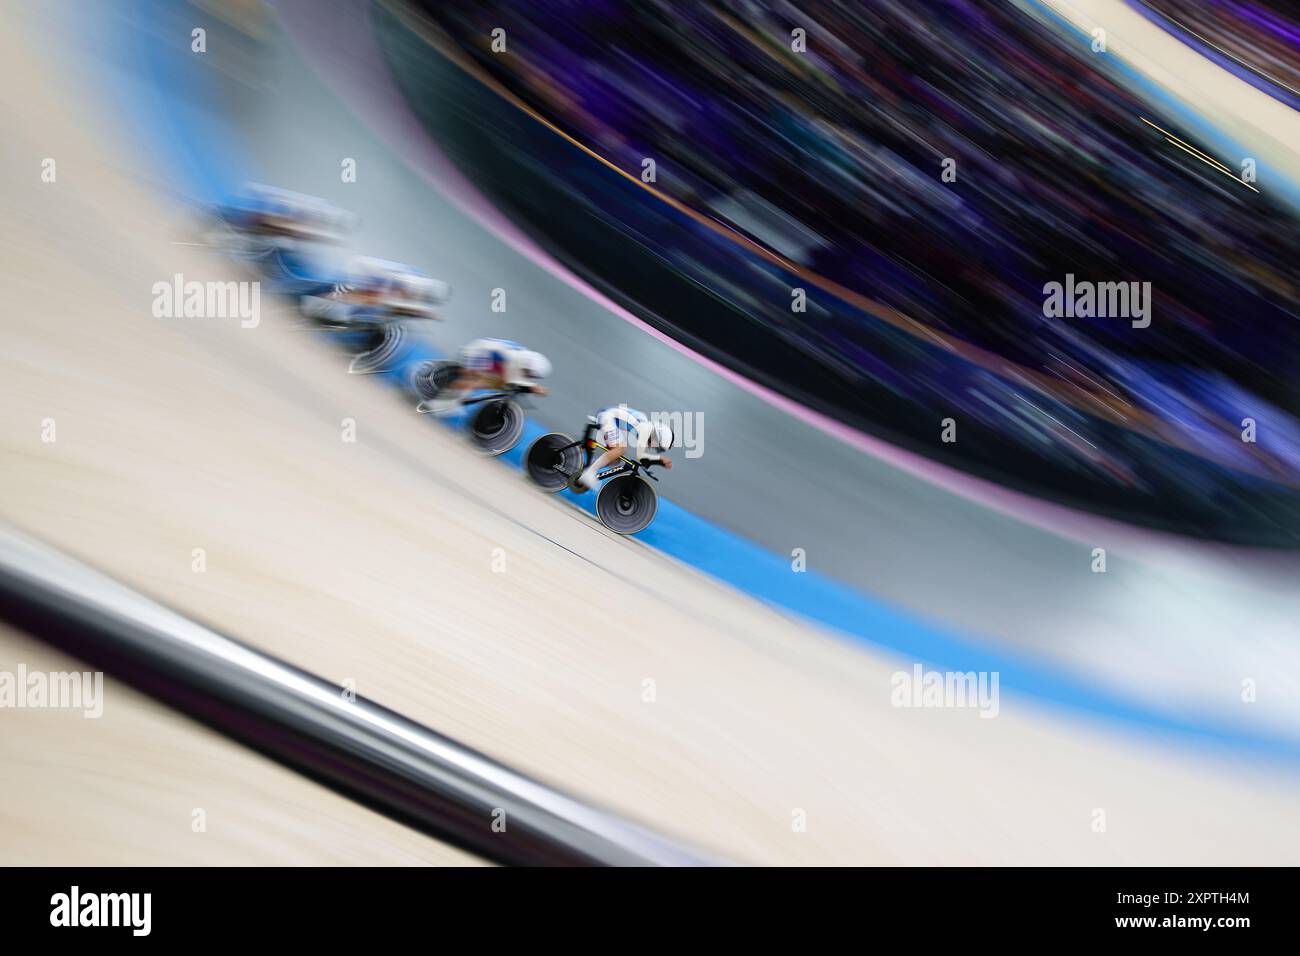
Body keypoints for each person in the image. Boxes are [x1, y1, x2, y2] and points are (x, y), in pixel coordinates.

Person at [418, 337, 551, 414]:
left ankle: (450, 392)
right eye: (531, 375)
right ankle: (435, 402)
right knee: (476, 382)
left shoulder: (524, 362)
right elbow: (505, 378)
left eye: (533, 377)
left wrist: (535, 388)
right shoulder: (513, 358)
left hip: (493, 358)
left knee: (494, 381)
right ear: (527, 367)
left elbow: (517, 378)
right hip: (480, 351)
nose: (530, 378)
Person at [577, 405, 673, 490]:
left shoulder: (645, 426)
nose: (654, 447)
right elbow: (641, 455)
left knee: (616, 459)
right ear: (656, 436)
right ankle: (589, 473)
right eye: (657, 445)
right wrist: (659, 460)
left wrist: (658, 461)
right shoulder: (645, 428)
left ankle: (587, 468)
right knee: (621, 448)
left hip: (610, 418)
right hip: (607, 416)